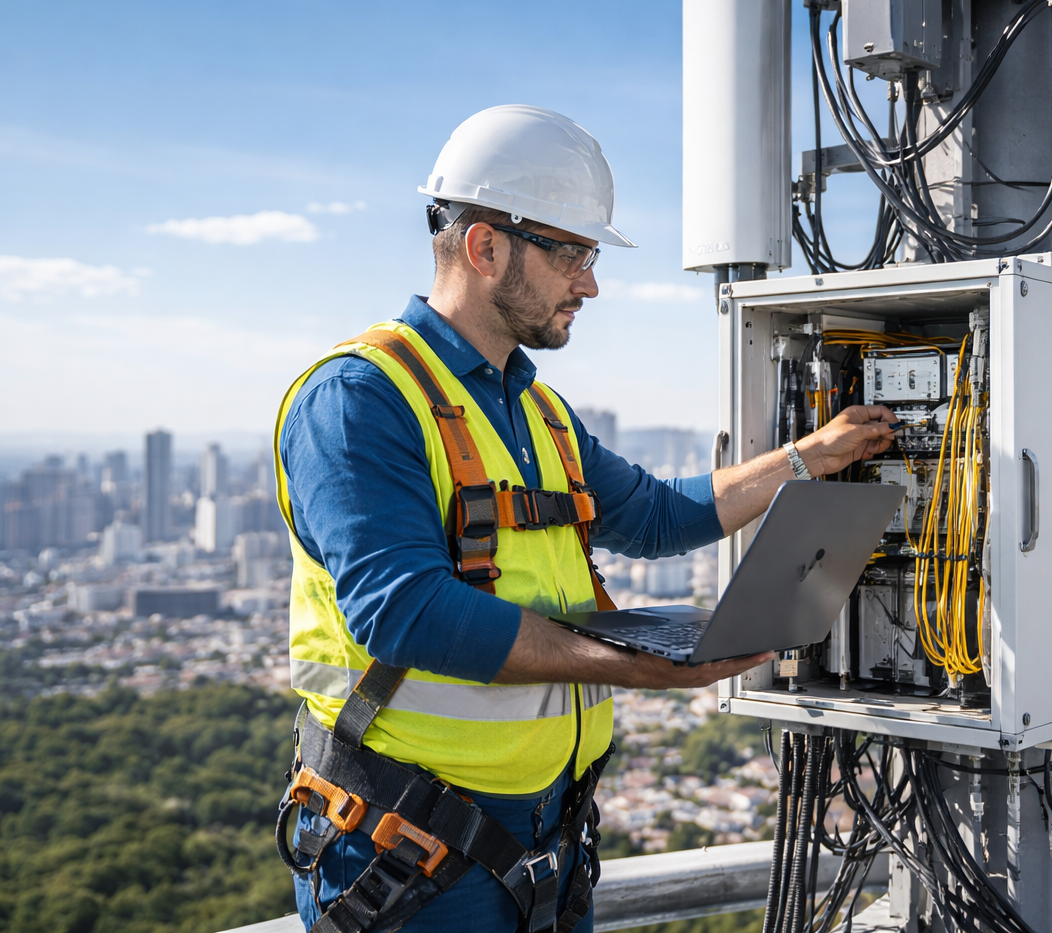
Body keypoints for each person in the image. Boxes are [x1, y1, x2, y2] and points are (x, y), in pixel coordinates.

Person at [274, 104, 896, 933]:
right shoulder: (360, 397)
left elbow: (656, 515)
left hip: (546, 840)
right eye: (571, 252)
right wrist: (624, 664)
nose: (591, 282)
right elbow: (401, 610)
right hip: (406, 847)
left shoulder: (537, 412)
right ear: (484, 245)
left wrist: (808, 458)